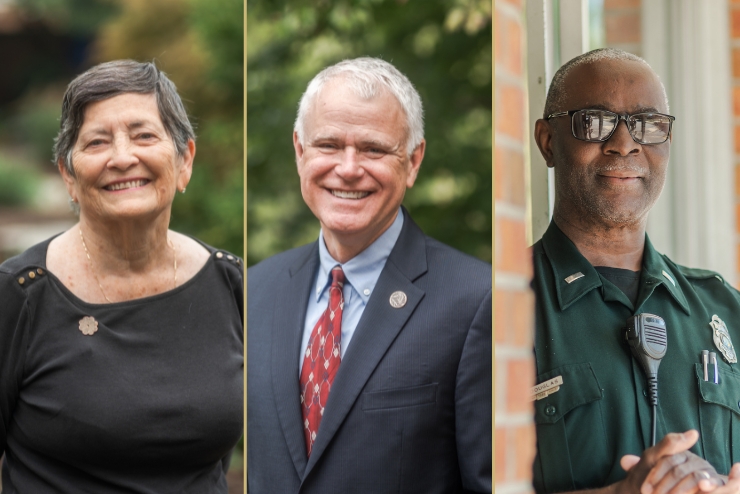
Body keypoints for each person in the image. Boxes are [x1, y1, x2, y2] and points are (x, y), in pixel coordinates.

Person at [247, 57, 492, 493]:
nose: (348, 168)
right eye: (327, 145)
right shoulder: (255, 291)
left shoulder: (476, 300)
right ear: (300, 151)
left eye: (373, 149)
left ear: (413, 161)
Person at [0, 60, 243, 492]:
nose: (123, 157)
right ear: (68, 176)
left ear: (185, 160)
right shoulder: (18, 295)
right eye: (96, 142)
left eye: (145, 135)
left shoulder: (232, 283)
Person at [531, 47, 740, 494]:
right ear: (548, 142)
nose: (625, 143)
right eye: (594, 121)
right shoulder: (501, 304)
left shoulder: (725, 310)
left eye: (649, 124)